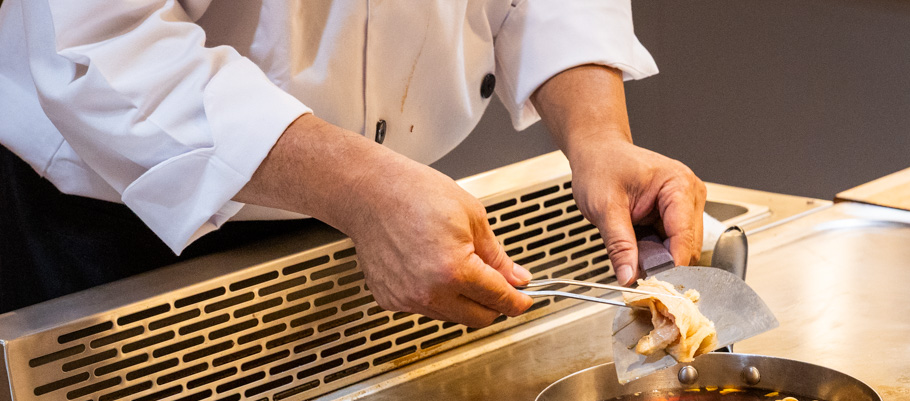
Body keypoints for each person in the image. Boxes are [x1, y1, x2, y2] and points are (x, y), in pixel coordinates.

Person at [0, 0, 706, 324]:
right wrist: (361, 187)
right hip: (135, 237)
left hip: (402, 217)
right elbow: (100, 45)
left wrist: (598, 134)